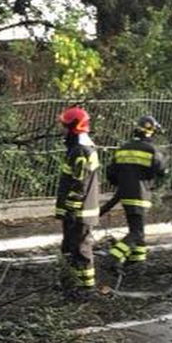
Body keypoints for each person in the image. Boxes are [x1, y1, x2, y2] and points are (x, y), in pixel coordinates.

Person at [100, 115, 168, 270]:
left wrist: (123, 183)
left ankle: (137, 262)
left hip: (124, 195)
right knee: (137, 233)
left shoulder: (123, 148)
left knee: (137, 229)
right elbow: (161, 170)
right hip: (140, 194)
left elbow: (111, 172)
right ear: (151, 132)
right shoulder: (151, 150)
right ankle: (113, 257)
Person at [55, 105, 101, 297]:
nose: (61, 129)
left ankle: (86, 288)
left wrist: (71, 209)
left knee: (81, 249)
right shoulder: (78, 148)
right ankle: (70, 284)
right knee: (69, 248)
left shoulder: (81, 150)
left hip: (81, 211)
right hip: (76, 210)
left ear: (73, 127)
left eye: (64, 125)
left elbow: (78, 184)